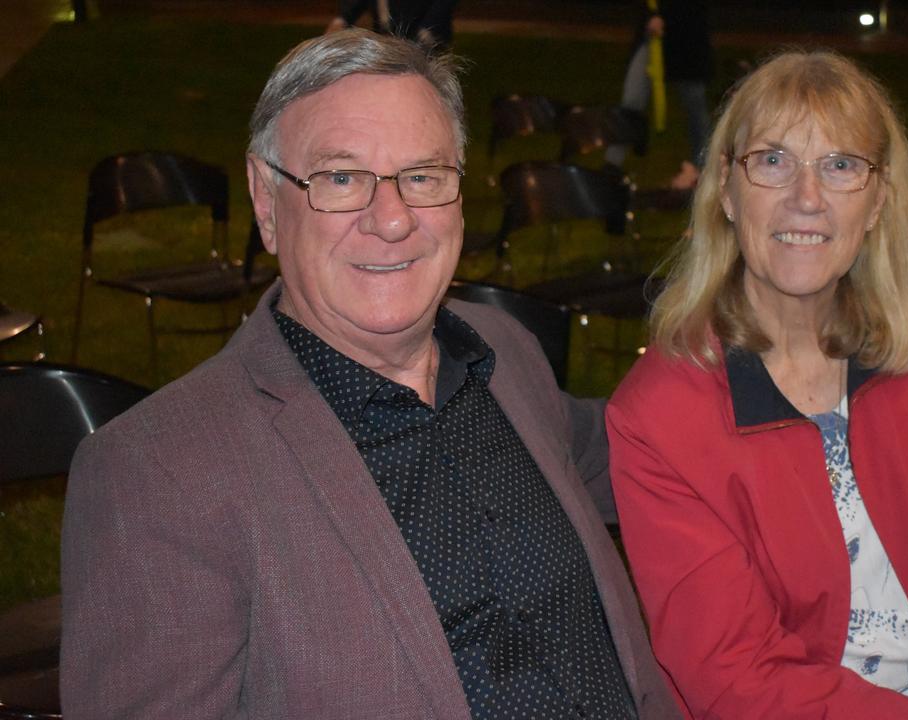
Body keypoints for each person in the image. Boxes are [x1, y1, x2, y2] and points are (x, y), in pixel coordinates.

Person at [60, 29, 679, 720]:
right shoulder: (159, 474)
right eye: (342, 178)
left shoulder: (504, 354)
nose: (391, 220)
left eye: (421, 176)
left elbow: (640, 450)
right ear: (267, 202)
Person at [606, 50, 908, 720]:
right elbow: (736, 676)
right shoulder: (659, 417)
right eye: (773, 160)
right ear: (725, 189)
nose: (806, 197)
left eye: (841, 165)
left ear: (877, 200)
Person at [604, 0, 712, 190]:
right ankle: (611, 166)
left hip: (687, 41)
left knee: (695, 108)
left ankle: (704, 168)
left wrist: (666, 19)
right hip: (651, 38)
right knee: (631, 101)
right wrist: (650, 18)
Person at [327, 0, 461, 48]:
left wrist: (426, 31)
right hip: (387, 37)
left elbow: (444, 4)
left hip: (425, 37)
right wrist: (342, 19)